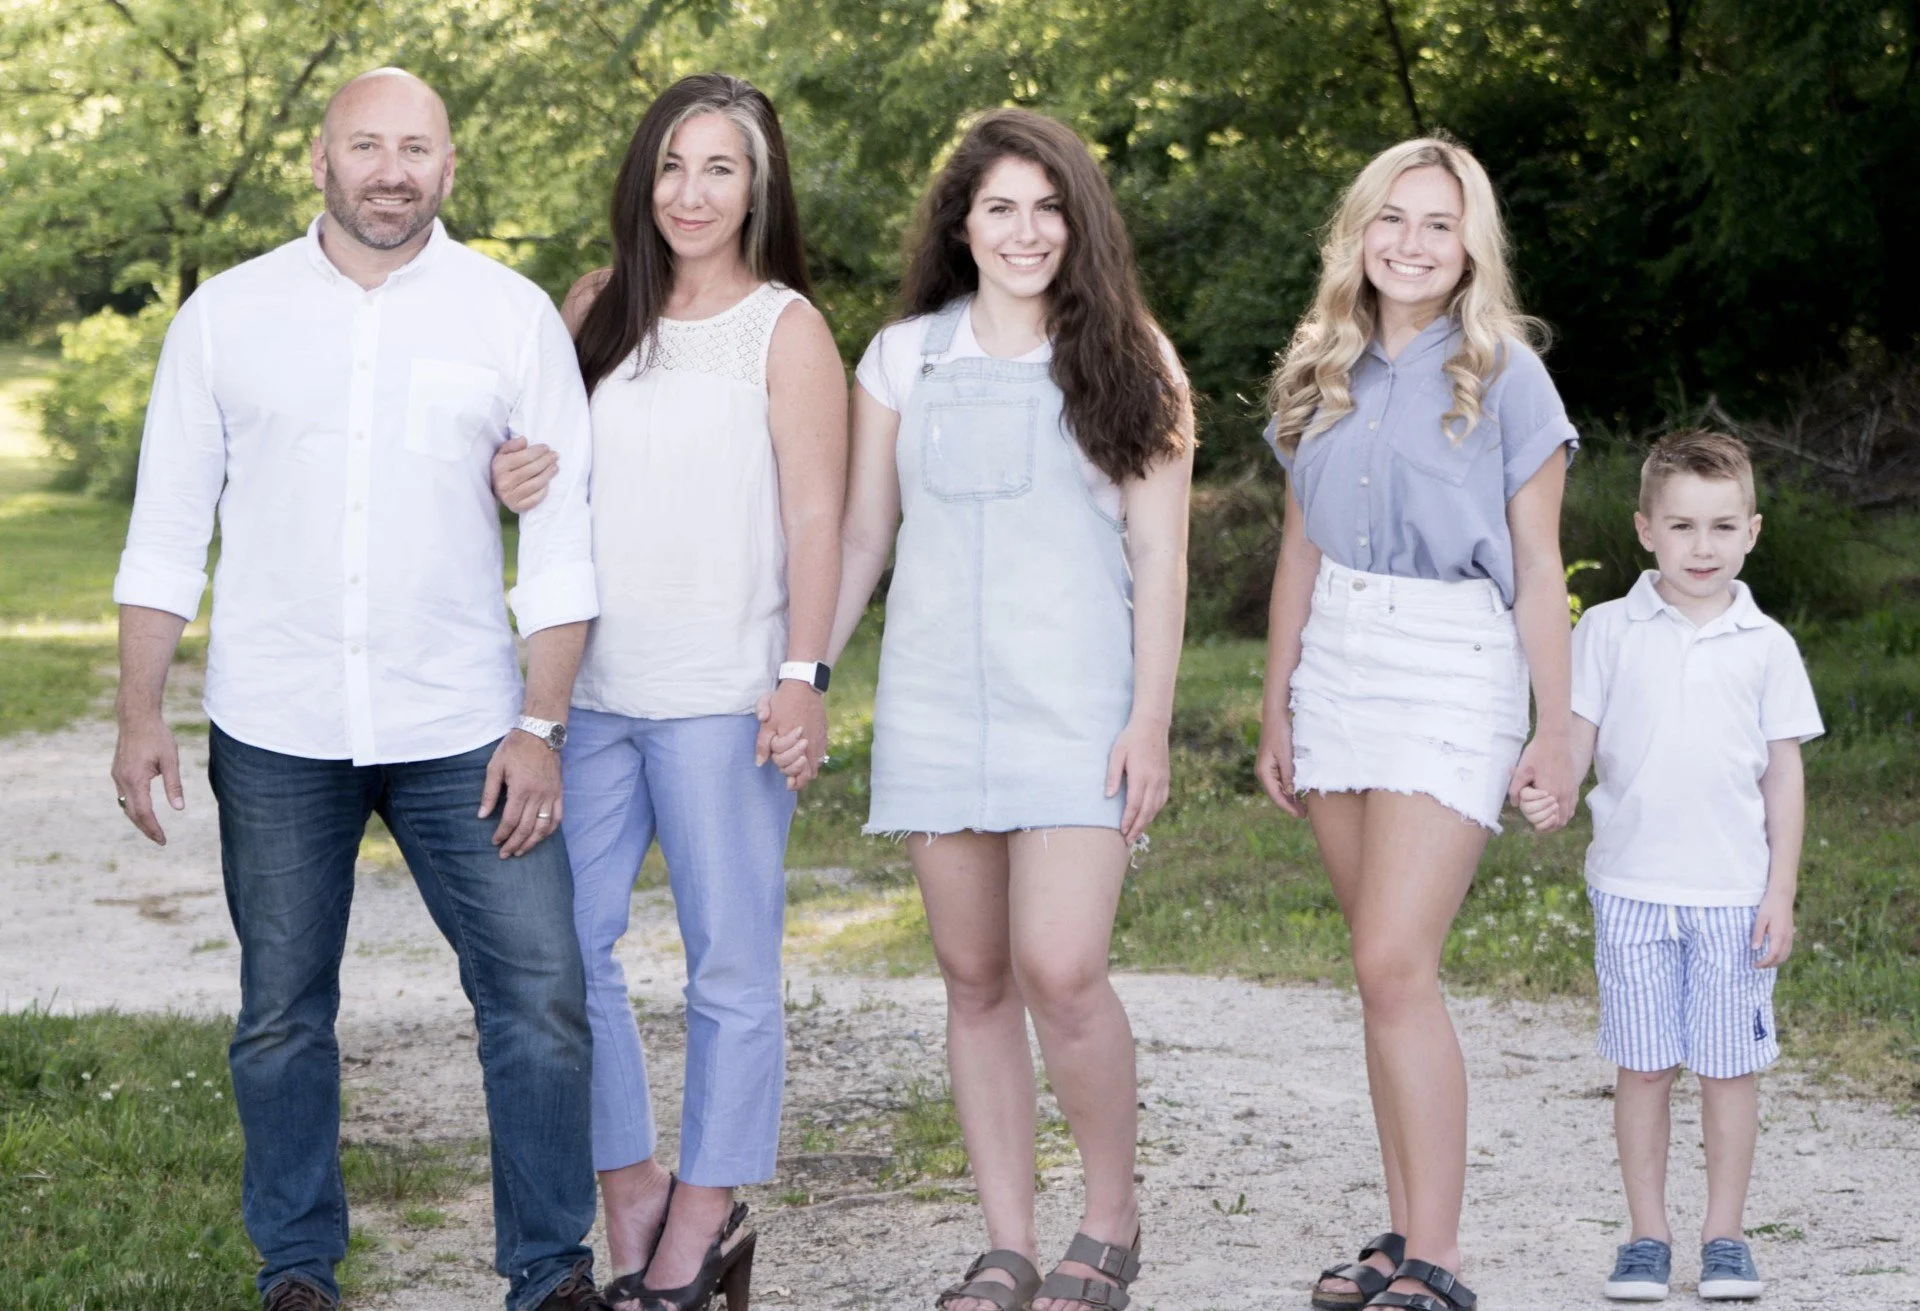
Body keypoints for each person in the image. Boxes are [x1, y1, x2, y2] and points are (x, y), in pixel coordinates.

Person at [109, 69, 611, 1311]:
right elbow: (168, 527)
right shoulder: (226, 317)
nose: (392, 171)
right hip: (277, 724)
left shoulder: (510, 316)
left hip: (465, 727)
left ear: (450, 165)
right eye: (367, 146)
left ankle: (550, 1271)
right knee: (282, 1010)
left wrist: (540, 723)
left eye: (417, 148)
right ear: (321, 160)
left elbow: (563, 540)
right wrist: (139, 710)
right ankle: (297, 1269)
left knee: (541, 996)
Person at [812, 108, 1194, 1311]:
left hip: (1079, 709)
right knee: (974, 976)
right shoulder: (901, 358)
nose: (1026, 232)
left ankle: (1110, 1221)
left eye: (1048, 209)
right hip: (935, 704)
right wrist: (805, 672)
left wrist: (1149, 721)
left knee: (1060, 968)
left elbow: (1161, 559)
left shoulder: (1134, 360)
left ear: (1079, 224)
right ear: (961, 225)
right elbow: (864, 536)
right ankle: (1009, 1246)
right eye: (999, 209)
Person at [489, 73, 845, 1311]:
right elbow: (544, 479)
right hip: (586, 698)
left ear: (758, 188)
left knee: (729, 967)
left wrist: (802, 677)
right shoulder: (593, 308)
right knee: (561, 956)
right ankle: (630, 1183)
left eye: (721, 169)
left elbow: (818, 517)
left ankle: (708, 1206)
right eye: (673, 167)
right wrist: (510, 475)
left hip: (723, 699)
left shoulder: (786, 329)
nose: (691, 194)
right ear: (644, 178)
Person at [1254, 137, 1579, 1311]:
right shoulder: (1318, 369)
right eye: (1392, 218)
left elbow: (1538, 568)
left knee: (1398, 961)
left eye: (1439, 223)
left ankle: (1438, 1257)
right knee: (1375, 972)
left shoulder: (1508, 376)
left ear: (1470, 245)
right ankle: (1401, 1237)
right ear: (1359, 232)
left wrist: (1558, 726)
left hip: (1453, 660)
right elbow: (1300, 551)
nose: (1411, 243)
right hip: (1338, 657)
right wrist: (1277, 699)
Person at [1518, 430, 1821, 1304]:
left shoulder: (1767, 645)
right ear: (1646, 528)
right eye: (1682, 525)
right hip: (1632, 889)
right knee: (1644, 1067)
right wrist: (1554, 789)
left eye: (1722, 526)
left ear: (1752, 532)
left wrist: (1780, 890)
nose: (1702, 546)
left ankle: (1725, 1235)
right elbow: (1577, 738)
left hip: (1732, 896)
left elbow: (1783, 776)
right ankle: (1646, 1235)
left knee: (1728, 1070)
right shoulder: (1608, 630)